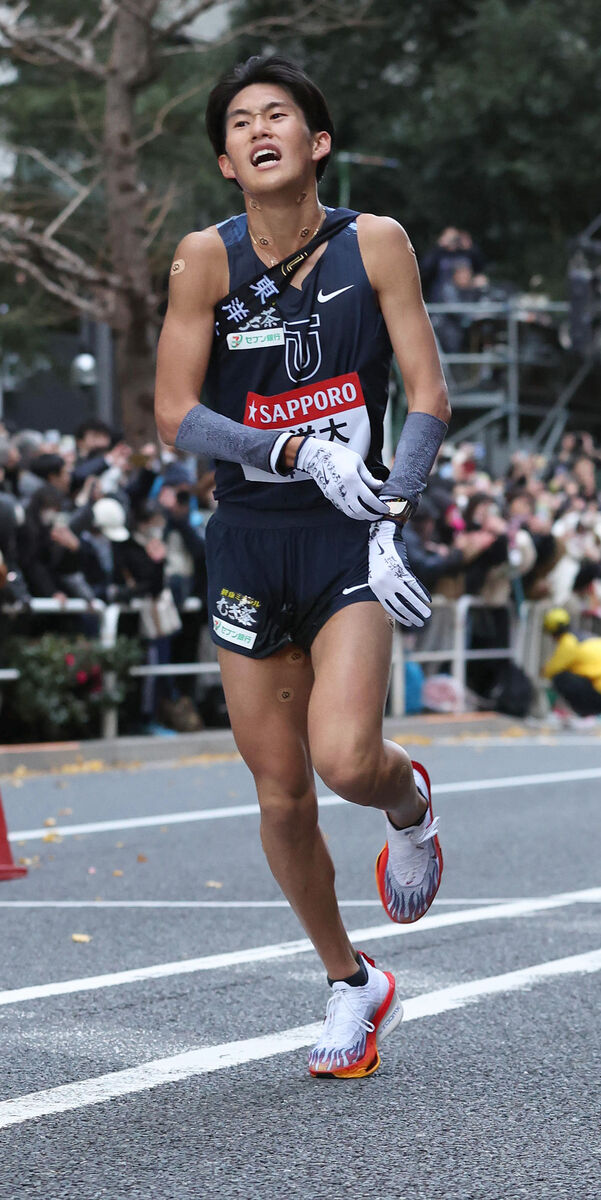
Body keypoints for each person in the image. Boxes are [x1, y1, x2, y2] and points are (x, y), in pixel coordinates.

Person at [155, 55, 450, 1079]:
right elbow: (173, 414)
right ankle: (350, 984)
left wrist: (391, 510)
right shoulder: (203, 259)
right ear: (228, 162)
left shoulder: (374, 243)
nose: (259, 128)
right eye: (240, 122)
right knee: (281, 794)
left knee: (342, 760)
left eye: (278, 114)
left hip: (345, 538)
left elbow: (426, 395)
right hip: (248, 536)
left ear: (315, 143)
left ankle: (407, 800)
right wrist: (286, 448)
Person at [542, 608, 601, 717]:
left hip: (598, 690)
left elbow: (551, 670)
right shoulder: (583, 636)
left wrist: (542, 671)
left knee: (561, 677)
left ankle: (586, 714)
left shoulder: (568, 641)